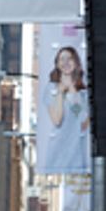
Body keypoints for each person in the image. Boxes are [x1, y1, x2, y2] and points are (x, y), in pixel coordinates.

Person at [41, 45, 90, 174]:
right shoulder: (51, 88)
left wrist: (72, 91)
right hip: (57, 149)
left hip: (77, 149)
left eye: (70, 58)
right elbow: (57, 120)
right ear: (57, 64)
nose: (66, 62)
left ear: (76, 62)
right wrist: (60, 93)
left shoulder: (83, 91)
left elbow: (82, 119)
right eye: (62, 59)